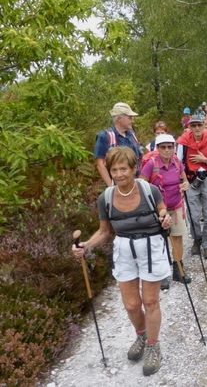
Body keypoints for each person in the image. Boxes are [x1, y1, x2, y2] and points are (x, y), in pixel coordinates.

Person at [71, 147, 172, 376]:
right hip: (124, 248)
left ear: (133, 168)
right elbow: (104, 231)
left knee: (150, 301)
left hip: (151, 246)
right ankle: (141, 334)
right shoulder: (105, 198)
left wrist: (165, 218)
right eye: (114, 170)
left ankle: (153, 345)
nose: (118, 174)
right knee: (131, 305)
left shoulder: (149, 190)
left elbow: (163, 211)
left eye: (123, 169)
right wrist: (86, 246)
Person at [141, 133, 191, 288]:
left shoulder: (177, 162)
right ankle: (162, 274)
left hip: (176, 206)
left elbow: (185, 179)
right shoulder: (151, 164)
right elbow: (141, 184)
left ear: (174, 148)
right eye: (163, 147)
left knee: (177, 237)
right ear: (157, 148)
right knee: (159, 241)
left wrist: (185, 185)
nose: (167, 150)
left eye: (170, 147)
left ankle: (178, 270)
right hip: (158, 210)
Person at [176, 114, 207, 259]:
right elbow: (178, 164)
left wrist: (205, 160)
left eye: (199, 125)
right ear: (189, 127)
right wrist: (181, 181)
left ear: (204, 125)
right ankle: (197, 240)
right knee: (193, 216)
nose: (196, 128)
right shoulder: (183, 142)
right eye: (193, 125)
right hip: (190, 181)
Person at [94, 102, 142, 187]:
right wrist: (111, 187)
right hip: (118, 184)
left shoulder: (132, 134)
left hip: (135, 183)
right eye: (130, 118)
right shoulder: (105, 136)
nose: (132, 120)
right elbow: (100, 164)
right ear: (119, 118)